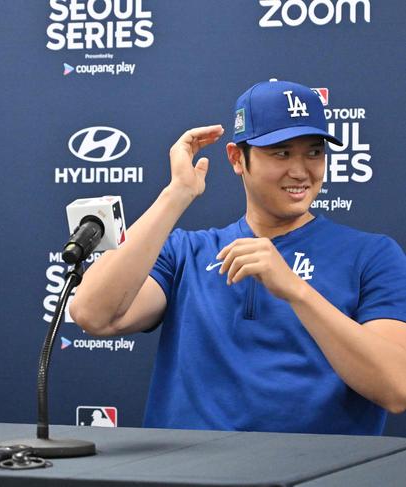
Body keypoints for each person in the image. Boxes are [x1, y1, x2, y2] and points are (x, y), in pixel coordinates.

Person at [70, 79, 406, 435]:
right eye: (281, 152)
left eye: (313, 152)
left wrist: (295, 289)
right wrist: (177, 194)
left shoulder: (372, 255)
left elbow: (396, 387)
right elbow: (93, 314)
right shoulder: (186, 252)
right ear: (236, 158)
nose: (300, 170)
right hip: (186, 474)